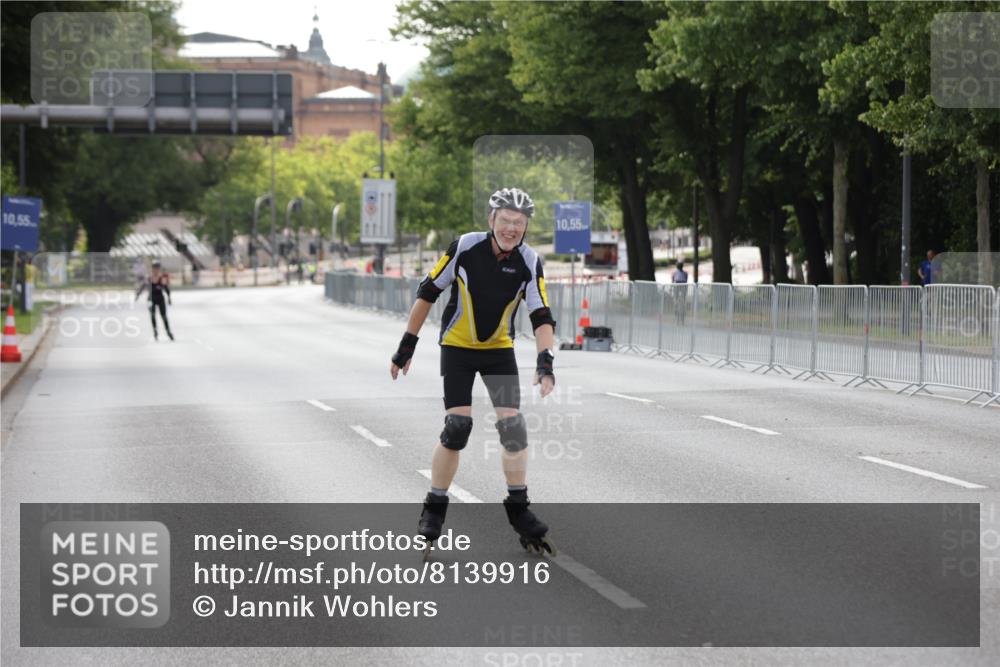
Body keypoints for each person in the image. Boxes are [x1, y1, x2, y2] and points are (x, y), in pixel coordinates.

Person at [390, 187, 558, 555]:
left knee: (513, 427)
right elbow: (428, 291)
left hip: (499, 351)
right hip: (458, 349)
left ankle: (519, 509)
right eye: (506, 221)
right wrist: (407, 345)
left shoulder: (529, 261)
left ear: (526, 227)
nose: (512, 228)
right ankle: (434, 508)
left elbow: (541, 313)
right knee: (457, 427)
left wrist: (546, 360)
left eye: (520, 223)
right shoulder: (465, 247)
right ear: (491, 220)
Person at [135, 260, 173, 341]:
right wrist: (137, 295)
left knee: (164, 316)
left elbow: (166, 289)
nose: (156, 270)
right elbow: (142, 287)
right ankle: (155, 331)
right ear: (152, 268)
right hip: (151, 299)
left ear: (159, 269)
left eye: (157, 268)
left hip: (160, 298)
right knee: (152, 315)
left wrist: (169, 298)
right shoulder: (148, 278)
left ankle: (168, 331)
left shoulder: (162, 278)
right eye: (154, 268)